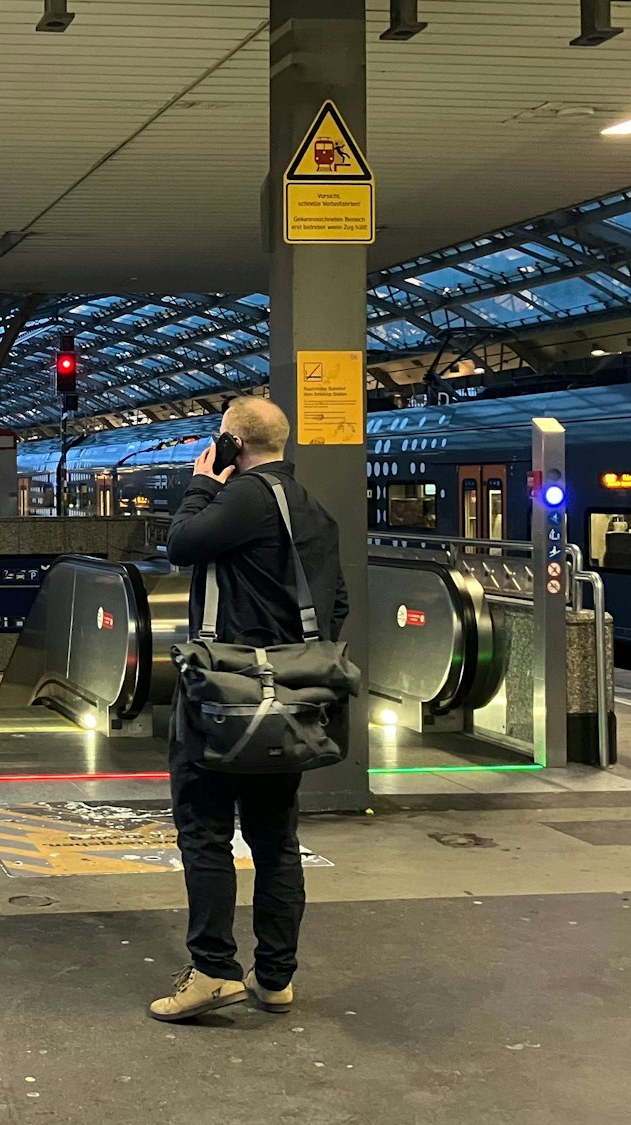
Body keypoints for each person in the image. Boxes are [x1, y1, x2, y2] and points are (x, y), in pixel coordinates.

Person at [148, 396, 349, 1023]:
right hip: (288, 700)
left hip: (224, 693)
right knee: (275, 837)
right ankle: (276, 977)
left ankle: (212, 970)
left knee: (205, 831)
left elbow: (181, 544)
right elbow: (337, 603)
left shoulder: (243, 497)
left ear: (232, 443)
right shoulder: (312, 508)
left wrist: (201, 484)